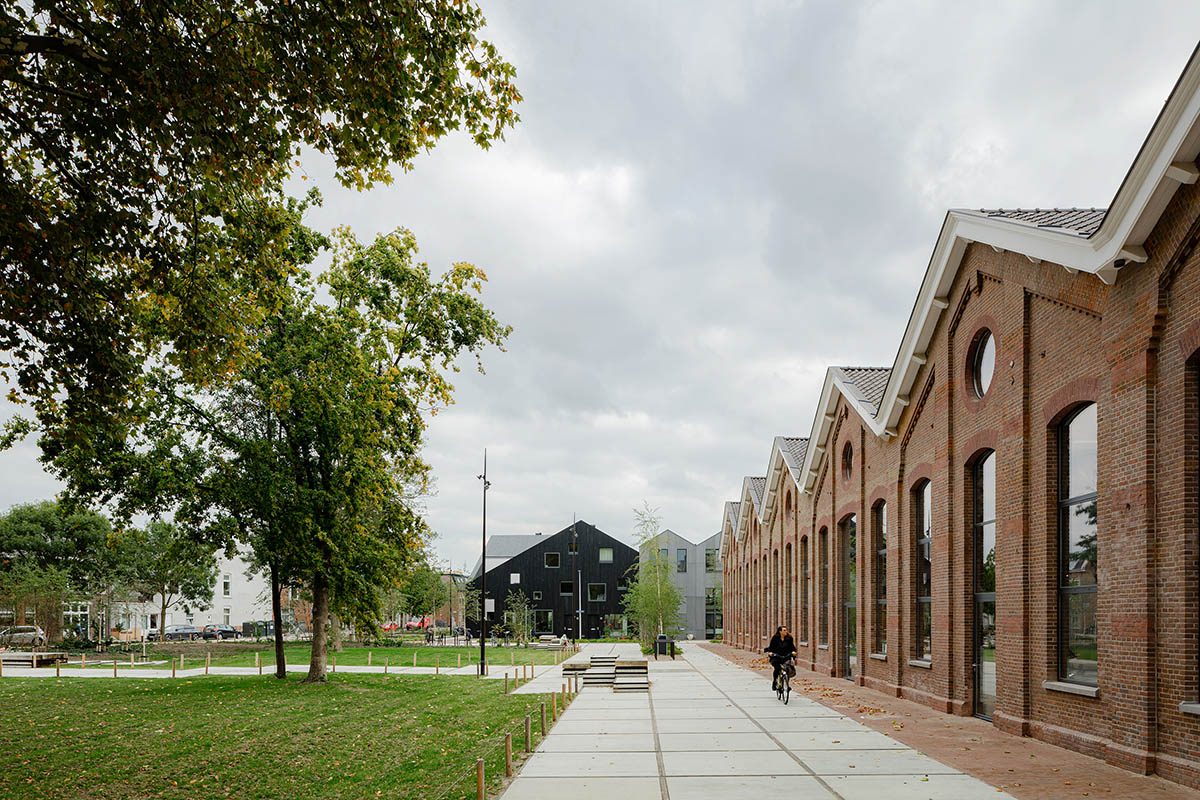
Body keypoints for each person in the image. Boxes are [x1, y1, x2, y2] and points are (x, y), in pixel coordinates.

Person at [764, 625, 797, 691]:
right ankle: (775, 682)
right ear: (780, 631)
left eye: (786, 630)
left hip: (786, 656)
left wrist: (793, 652)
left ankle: (787, 685)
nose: (786, 631)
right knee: (777, 668)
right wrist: (770, 652)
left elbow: (792, 647)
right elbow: (771, 647)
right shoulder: (775, 638)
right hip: (776, 657)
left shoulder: (789, 638)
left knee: (787, 669)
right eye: (784, 630)